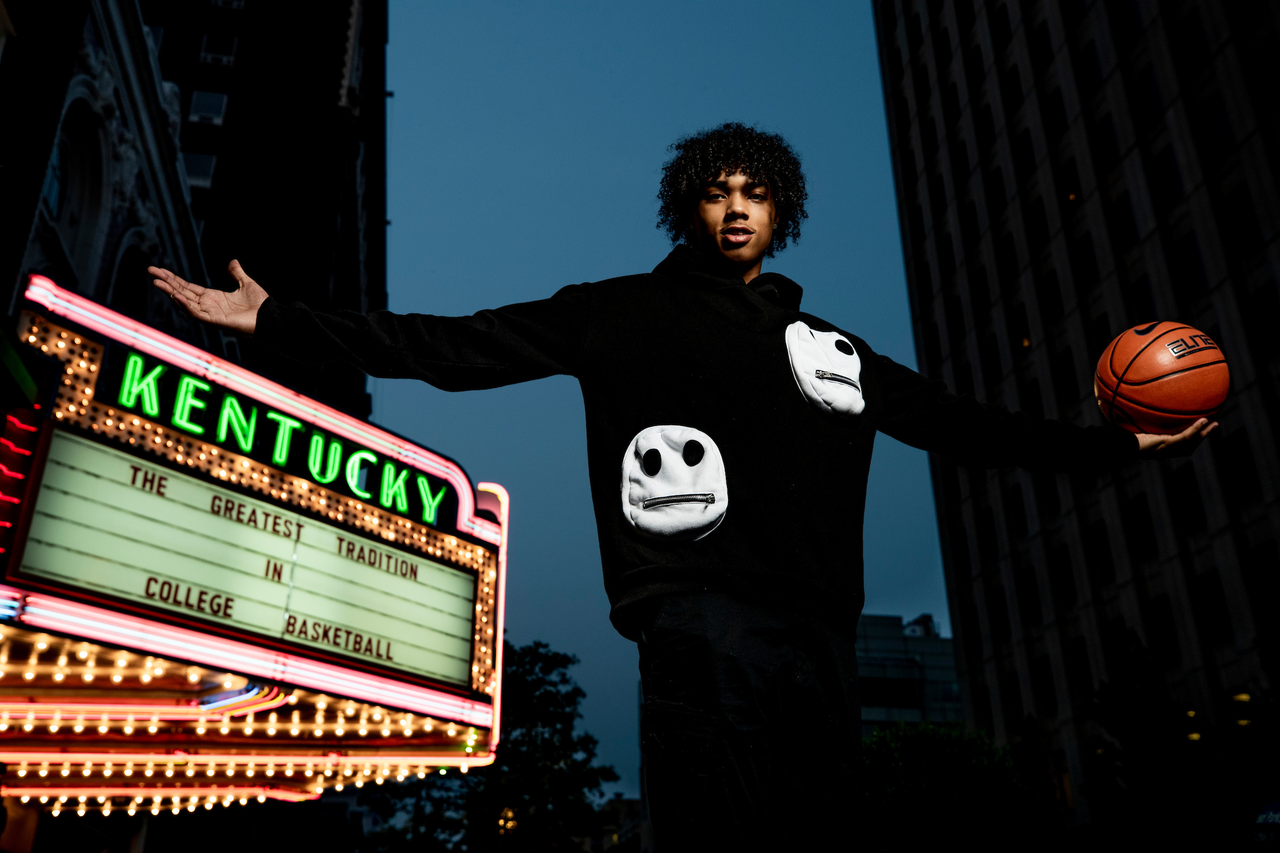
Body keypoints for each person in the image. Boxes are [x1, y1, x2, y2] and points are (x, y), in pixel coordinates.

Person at [151, 122, 1213, 850]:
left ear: (781, 210)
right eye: (716, 191)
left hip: (818, 642)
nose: (736, 208)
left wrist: (1112, 449)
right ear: (686, 206)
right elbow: (454, 344)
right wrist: (281, 319)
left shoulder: (829, 348)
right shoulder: (615, 311)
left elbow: (962, 424)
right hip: (699, 626)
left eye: (755, 192)